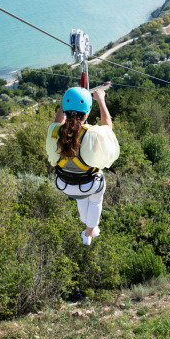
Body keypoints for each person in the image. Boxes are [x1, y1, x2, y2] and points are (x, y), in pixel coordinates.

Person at [45, 87, 119, 245]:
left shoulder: (54, 131)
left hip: (65, 184)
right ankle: (89, 233)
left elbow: (57, 121)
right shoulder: (93, 133)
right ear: (88, 112)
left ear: (65, 110)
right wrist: (101, 100)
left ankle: (87, 224)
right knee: (95, 200)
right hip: (88, 185)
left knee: (82, 197)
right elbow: (108, 129)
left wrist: (66, 100)